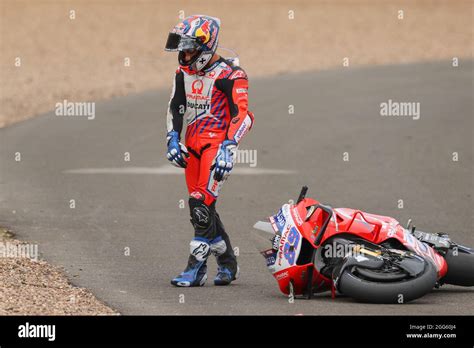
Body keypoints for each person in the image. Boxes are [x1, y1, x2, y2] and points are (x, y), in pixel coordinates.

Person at [164, 15, 254, 286]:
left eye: (189, 48)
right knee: (202, 207)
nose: (184, 54)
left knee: (201, 205)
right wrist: (171, 138)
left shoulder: (231, 75)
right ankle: (227, 262)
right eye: (182, 48)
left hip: (217, 148)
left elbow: (244, 116)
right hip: (192, 147)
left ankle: (196, 269)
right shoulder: (182, 73)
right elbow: (175, 106)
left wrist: (229, 147)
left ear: (206, 46)